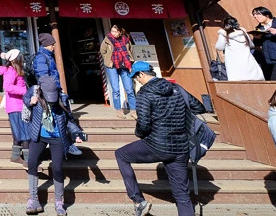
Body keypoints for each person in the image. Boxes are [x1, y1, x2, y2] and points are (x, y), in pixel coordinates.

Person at [115, 60, 205, 216]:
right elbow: (199, 107)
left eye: (136, 77)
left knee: (121, 155)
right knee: (182, 196)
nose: (137, 81)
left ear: (141, 74)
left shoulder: (144, 93)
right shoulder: (176, 88)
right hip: (181, 147)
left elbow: (143, 125)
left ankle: (138, 201)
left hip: (157, 144)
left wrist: (140, 132)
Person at [23, 75, 83, 216]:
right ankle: (33, 198)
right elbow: (24, 98)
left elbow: (69, 120)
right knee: (31, 162)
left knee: (57, 167)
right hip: (39, 135)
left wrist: (77, 133)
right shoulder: (34, 91)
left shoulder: (62, 98)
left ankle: (58, 201)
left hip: (57, 137)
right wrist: (30, 102)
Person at [34, 33, 82, 156]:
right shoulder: (41, 58)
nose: (54, 46)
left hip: (55, 91)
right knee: (60, 119)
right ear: (45, 44)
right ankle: (67, 146)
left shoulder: (48, 56)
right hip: (51, 93)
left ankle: (69, 144)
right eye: (52, 44)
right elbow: (43, 77)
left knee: (64, 117)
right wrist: (52, 92)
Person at [100, 25, 138, 118]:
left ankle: (134, 110)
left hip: (125, 66)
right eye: (112, 31)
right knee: (115, 89)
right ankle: (118, 110)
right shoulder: (107, 39)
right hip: (112, 66)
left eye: (115, 31)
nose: (113, 33)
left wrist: (129, 61)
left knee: (129, 89)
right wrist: (108, 60)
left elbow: (130, 51)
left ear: (120, 32)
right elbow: (103, 51)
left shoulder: (126, 40)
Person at [0, 48, 28, 164]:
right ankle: (28, 159)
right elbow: (8, 86)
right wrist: (24, 90)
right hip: (16, 106)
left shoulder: (14, 70)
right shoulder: (11, 71)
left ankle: (15, 156)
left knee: (18, 132)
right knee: (24, 133)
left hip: (18, 105)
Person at [215, 16, 264, 81]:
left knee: (238, 82)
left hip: (234, 63)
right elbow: (251, 45)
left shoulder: (224, 34)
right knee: (253, 80)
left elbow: (219, 47)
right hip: (248, 61)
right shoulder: (243, 32)